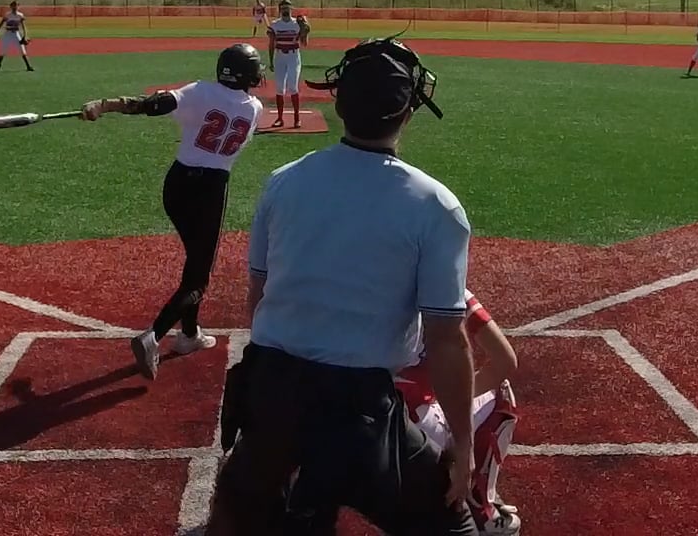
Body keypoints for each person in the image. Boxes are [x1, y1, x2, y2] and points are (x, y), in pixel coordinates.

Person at [205, 36, 476, 535]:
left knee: (241, 515)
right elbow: (446, 339)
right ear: (408, 112)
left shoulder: (283, 181)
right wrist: (463, 444)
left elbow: (259, 295)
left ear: (339, 103)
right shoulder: (435, 205)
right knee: (450, 525)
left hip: (272, 395)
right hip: (360, 411)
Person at [80, 44, 266, 378]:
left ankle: (190, 335)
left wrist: (105, 105)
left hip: (177, 186)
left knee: (195, 264)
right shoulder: (254, 108)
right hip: (210, 190)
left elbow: (151, 104)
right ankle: (153, 336)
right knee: (198, 280)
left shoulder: (201, 91)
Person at [395, 289, 521, 535]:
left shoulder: (364, 286)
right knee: (502, 394)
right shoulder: (449, 291)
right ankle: (481, 507)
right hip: (415, 428)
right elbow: (505, 361)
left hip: (360, 419)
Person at [266, 1, 305, 128]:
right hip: (280, 56)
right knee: (279, 88)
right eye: (283, 8)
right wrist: (271, 60)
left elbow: (304, 42)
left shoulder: (297, 23)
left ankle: (297, 118)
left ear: (291, 9)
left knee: (293, 87)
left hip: (293, 56)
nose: (285, 10)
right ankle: (280, 118)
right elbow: (271, 44)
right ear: (279, 10)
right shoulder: (275, 24)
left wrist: (305, 29)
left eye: (287, 8)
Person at [0, 0, 35, 72]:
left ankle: (28, 66)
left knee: (22, 49)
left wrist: (25, 35)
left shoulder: (20, 15)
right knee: (3, 50)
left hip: (16, 33)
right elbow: (1, 23)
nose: (15, 7)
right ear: (11, 6)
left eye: (16, 5)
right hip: (7, 34)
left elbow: (23, 26)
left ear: (18, 7)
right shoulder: (7, 15)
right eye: (13, 5)